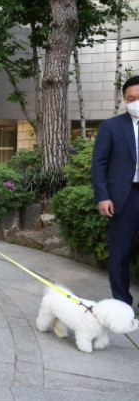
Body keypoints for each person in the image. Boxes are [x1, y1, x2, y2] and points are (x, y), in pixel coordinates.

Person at [92, 75, 139, 308]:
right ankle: (122, 304)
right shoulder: (111, 126)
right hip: (124, 197)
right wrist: (103, 196)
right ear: (124, 99)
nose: (135, 102)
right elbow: (99, 163)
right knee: (120, 253)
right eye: (131, 98)